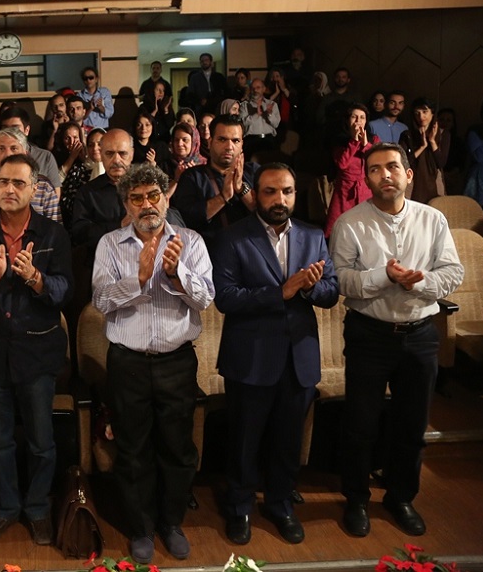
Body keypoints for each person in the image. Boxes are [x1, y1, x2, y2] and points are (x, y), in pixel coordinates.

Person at [329, 143, 463, 539]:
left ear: (408, 173)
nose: (384, 175)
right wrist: (384, 276)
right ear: (367, 178)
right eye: (374, 169)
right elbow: (342, 280)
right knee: (361, 424)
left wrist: (419, 283)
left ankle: (401, 497)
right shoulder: (350, 223)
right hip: (369, 334)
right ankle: (356, 499)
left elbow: (452, 272)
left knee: (412, 424)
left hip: (420, 334)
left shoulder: (432, 219)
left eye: (392, 167)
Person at [92, 163, 214, 564]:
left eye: (153, 196)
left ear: (165, 198)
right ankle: (141, 527)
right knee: (133, 448)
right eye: (136, 198)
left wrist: (177, 275)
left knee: (178, 447)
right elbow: (101, 301)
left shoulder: (191, 241)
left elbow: (205, 299)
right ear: (126, 205)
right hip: (127, 362)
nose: (146, 204)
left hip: (177, 362)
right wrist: (140, 278)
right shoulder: (110, 244)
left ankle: (172, 522)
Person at [212, 163, 339, 545]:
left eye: (286, 191)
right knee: (244, 441)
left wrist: (310, 288)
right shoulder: (233, 237)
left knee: (288, 441)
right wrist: (281, 293)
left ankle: (281, 504)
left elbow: (331, 291)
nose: (279, 199)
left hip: (299, 358)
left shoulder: (313, 236)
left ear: (295, 194)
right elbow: (225, 298)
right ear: (256, 195)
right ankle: (239, 506)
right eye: (269, 191)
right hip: (250, 358)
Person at [0, 153, 73, 546]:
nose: (8, 189)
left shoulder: (53, 234)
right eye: (3, 182)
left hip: (37, 352)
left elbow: (64, 292)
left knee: (41, 441)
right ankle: (5, 507)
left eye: (18, 183)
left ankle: (37, 508)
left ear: (35, 189)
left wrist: (35, 278)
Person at [174, 114, 258, 246]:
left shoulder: (254, 172)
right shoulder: (192, 177)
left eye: (235, 141)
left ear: (242, 144)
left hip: (251, 248)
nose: (229, 146)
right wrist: (223, 197)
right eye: (222, 139)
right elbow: (188, 219)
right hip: (210, 251)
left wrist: (241, 189)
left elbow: (267, 213)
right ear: (210, 142)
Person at [325, 104, 378, 237]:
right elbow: (342, 164)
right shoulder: (340, 140)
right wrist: (354, 141)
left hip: (366, 190)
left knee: (365, 231)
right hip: (345, 191)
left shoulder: (373, 139)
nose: (358, 121)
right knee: (338, 230)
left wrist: (365, 145)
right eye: (354, 117)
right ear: (348, 120)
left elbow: (377, 162)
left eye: (362, 117)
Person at [399, 97, 446, 204]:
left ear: (432, 113)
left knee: (436, 208)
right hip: (413, 180)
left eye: (425, 112)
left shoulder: (443, 134)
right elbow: (404, 162)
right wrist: (422, 146)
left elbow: (441, 163)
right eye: (417, 113)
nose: (421, 117)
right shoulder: (407, 135)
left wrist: (432, 141)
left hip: (434, 180)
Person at [78, 66, 114, 131]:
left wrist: (101, 107)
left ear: (96, 79)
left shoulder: (104, 92)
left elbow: (110, 113)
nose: (88, 80)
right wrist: (90, 108)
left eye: (91, 78)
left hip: (103, 128)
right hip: (87, 129)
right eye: (85, 78)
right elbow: (79, 117)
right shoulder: (80, 95)